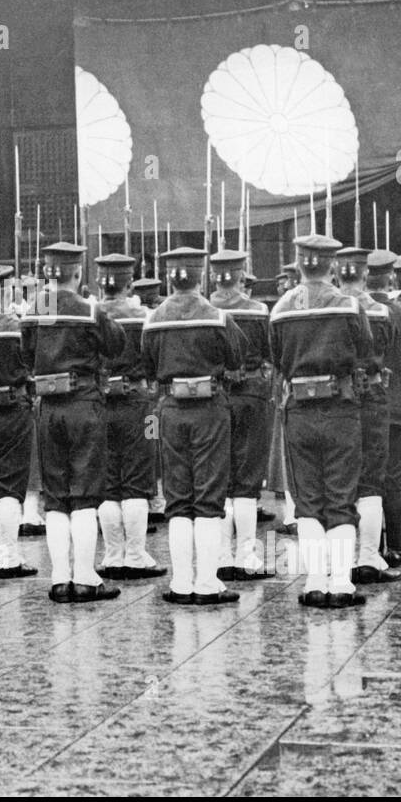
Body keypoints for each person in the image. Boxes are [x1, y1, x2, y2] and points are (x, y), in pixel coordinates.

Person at [270, 235, 372, 609]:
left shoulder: (280, 308)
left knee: (308, 501)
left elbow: (277, 358)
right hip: (341, 409)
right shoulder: (348, 305)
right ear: (332, 266)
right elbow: (366, 350)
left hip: (298, 411)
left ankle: (315, 581)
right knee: (342, 498)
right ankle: (341, 583)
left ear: (299, 264)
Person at [22, 242, 125, 603]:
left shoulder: (38, 308)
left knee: (56, 496)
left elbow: (25, 353)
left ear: (48, 272)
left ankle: (59, 577)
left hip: (47, 407)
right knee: (84, 493)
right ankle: (85, 576)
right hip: (83, 404)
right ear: (78, 273)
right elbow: (117, 344)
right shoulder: (89, 309)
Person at [142, 247, 243, 604]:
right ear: (201, 277)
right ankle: (207, 582)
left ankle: (181, 581)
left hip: (169, 410)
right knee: (209, 496)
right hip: (210, 410)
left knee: (178, 498)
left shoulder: (153, 319)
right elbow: (237, 358)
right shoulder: (218, 317)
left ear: (170, 278)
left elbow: (148, 364)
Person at [333, 248, 401, 587]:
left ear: (337, 272)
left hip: (337, 400)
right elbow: (385, 348)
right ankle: (369, 558)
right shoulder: (382, 312)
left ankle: (337, 563)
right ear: (365, 274)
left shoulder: (330, 308)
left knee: (338, 481)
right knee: (371, 481)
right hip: (373, 396)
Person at [93, 253, 163, 581]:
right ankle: (135, 554)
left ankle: (112, 553)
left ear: (99, 282)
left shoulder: (88, 316)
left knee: (107, 482)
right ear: (129, 283)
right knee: (140, 477)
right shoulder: (146, 316)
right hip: (143, 406)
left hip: (99, 406)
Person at [210, 249, 275, 580]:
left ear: (213, 276)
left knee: (219, 477)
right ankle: (246, 555)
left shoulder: (207, 311)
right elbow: (270, 353)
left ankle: (221, 555)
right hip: (251, 397)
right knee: (248, 479)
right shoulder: (258, 310)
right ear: (241, 276)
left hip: (214, 399)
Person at [0, 264, 39, 580]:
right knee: (11, 485)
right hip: (14, 408)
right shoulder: (19, 326)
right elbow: (32, 363)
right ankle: (9, 557)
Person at [364, 250, 401, 569]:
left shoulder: (353, 310)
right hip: (399, 405)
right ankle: (395, 548)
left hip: (365, 405)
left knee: (368, 480)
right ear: (390, 278)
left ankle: (369, 550)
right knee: (395, 479)